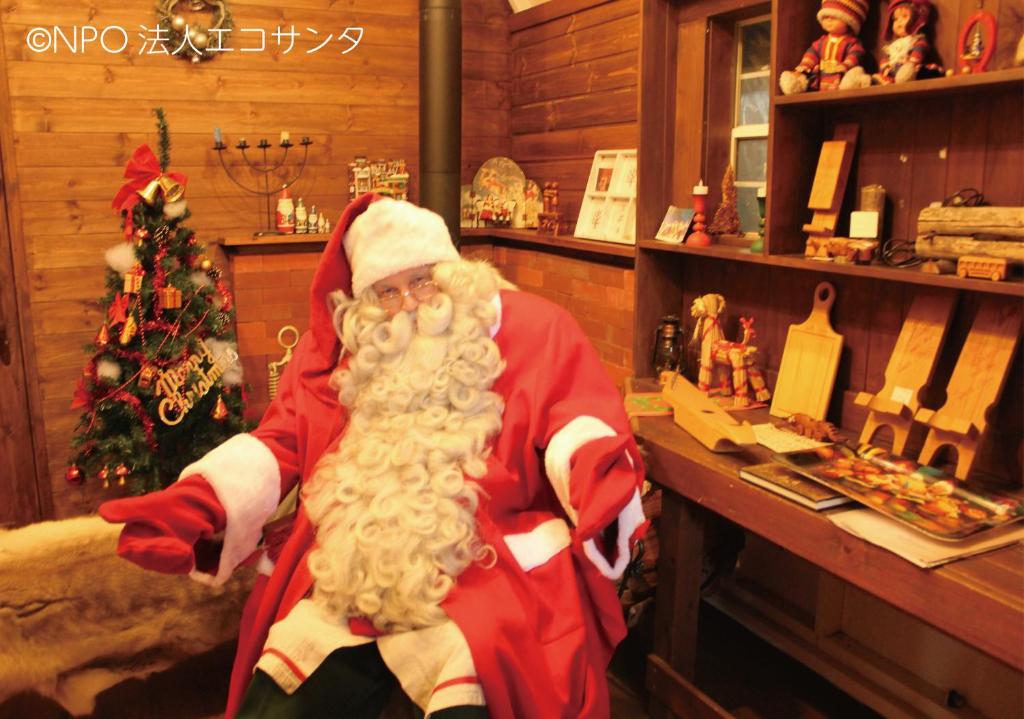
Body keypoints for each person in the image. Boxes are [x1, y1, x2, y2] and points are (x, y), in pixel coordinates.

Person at [99, 194, 646, 719]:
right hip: (354, 568)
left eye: (422, 281)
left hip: (484, 564)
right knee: (284, 690)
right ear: (366, 303)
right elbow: (281, 441)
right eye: (387, 291)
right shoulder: (337, 360)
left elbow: (578, 416)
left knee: (482, 673)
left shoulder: (533, 330)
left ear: (453, 276)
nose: (408, 304)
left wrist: (597, 476)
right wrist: (201, 501)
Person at [779, 0, 869, 94]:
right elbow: (811, 54)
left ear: (849, 21)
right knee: (803, 74)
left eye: (835, 17)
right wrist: (805, 65)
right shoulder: (820, 43)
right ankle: (796, 83)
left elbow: (855, 54)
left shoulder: (852, 42)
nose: (829, 20)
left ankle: (853, 83)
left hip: (842, 76)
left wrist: (846, 64)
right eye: (825, 17)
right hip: (822, 79)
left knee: (854, 73)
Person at [874, 0, 933, 84]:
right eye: (895, 19)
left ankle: (900, 77)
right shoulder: (894, 45)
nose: (899, 22)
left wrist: (912, 61)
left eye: (904, 16)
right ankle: (884, 79)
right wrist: (885, 66)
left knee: (916, 71)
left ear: (916, 20)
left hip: (908, 66)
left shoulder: (916, 40)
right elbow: (886, 57)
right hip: (893, 69)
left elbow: (920, 48)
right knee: (883, 74)